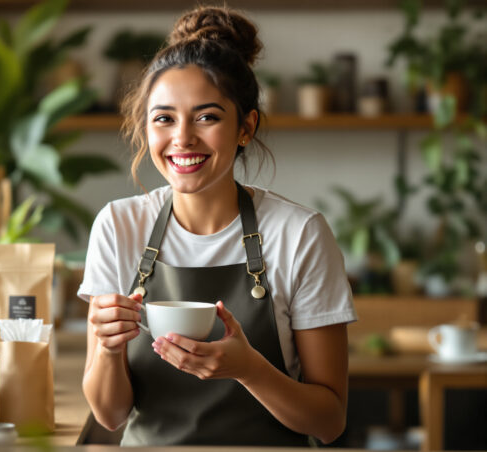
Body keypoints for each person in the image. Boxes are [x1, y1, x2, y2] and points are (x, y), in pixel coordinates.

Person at [77, 5, 357, 447]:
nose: (182, 138)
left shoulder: (299, 234)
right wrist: (109, 349)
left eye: (207, 117)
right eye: (164, 118)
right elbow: (109, 415)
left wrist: (249, 369)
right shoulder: (119, 226)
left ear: (246, 127)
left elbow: (329, 421)